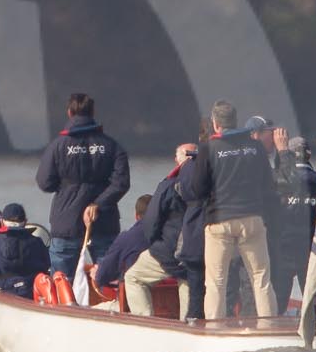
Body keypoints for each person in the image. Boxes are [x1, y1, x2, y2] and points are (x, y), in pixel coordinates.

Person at [189, 100, 277, 320]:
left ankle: (215, 329)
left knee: (217, 281)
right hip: (253, 219)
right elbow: (268, 185)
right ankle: (269, 327)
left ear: (215, 124)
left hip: (220, 221)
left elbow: (198, 190)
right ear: (236, 122)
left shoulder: (208, 149)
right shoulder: (255, 147)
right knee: (261, 277)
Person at [34, 92, 131, 279]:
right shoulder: (112, 146)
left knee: (62, 282)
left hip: (66, 221)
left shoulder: (58, 146)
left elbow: (44, 182)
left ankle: (63, 308)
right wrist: (99, 203)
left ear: (69, 112)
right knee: (108, 278)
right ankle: (111, 306)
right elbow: (121, 183)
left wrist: (66, 188)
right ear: (93, 112)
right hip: (104, 221)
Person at [123, 144, 207, 319]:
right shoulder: (211, 185)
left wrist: (155, 243)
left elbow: (151, 222)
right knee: (189, 283)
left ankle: (146, 322)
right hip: (202, 253)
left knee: (132, 277)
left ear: (177, 161)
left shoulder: (169, 185)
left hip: (170, 251)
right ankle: (189, 327)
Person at [271, 137, 316, 311]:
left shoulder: (280, 180)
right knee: (312, 297)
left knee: (279, 297)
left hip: (284, 244)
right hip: (311, 246)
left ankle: (274, 329)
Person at [0, 204, 51, 298]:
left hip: (0, 295)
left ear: (2, 222)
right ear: (25, 222)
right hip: (30, 296)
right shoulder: (37, 243)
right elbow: (46, 268)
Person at [92, 193, 157, 306]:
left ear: (136, 216)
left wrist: (96, 274)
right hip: (169, 306)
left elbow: (103, 276)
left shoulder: (126, 238)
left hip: (131, 305)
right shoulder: (170, 237)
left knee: (91, 311)